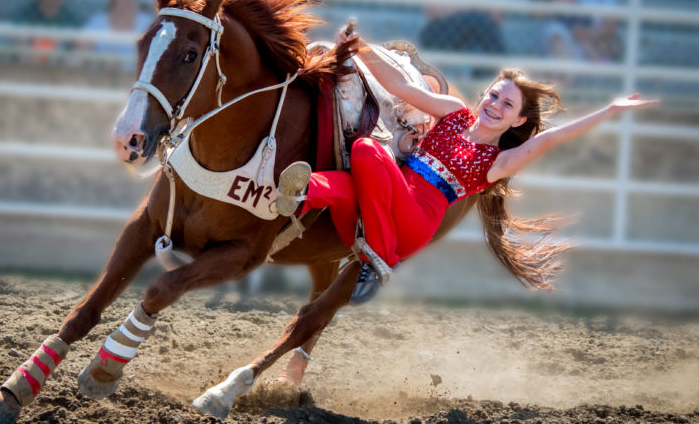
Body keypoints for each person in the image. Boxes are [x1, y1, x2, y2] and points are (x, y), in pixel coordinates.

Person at [275, 28, 658, 304]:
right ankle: (301, 193)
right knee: (346, 182)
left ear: (518, 121)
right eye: (494, 95)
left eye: (507, 105)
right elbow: (403, 89)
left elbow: (553, 138)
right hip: (381, 204)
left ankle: (378, 259)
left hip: (411, 222)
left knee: (366, 150)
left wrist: (610, 110)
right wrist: (361, 49)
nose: (494, 105)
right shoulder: (456, 113)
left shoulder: (497, 161)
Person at [78, 0, 154, 71]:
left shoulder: (148, 23)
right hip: (98, 77)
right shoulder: (98, 21)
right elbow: (79, 54)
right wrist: (101, 63)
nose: (128, 0)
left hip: (134, 79)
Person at [12, 0, 83, 61]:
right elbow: (19, 44)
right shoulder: (25, 14)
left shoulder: (71, 18)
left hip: (60, 67)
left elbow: (79, 48)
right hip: (29, 66)